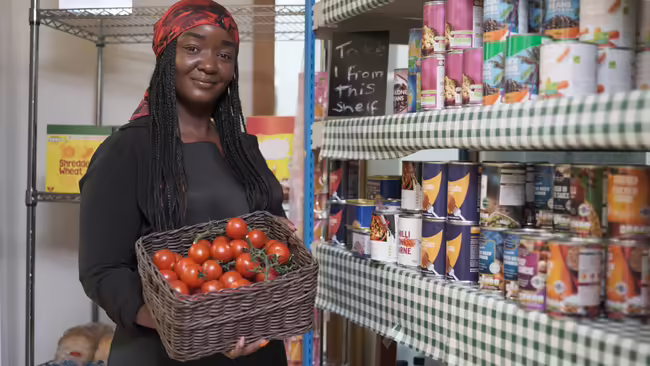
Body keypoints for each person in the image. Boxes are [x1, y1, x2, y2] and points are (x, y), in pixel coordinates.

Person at [78, 1, 290, 364]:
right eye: (192, 48)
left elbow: (268, 229)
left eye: (225, 54)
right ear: (165, 56)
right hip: (161, 350)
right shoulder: (127, 151)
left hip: (253, 344)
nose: (210, 64)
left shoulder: (244, 147)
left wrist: (282, 235)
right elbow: (102, 271)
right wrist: (185, 324)